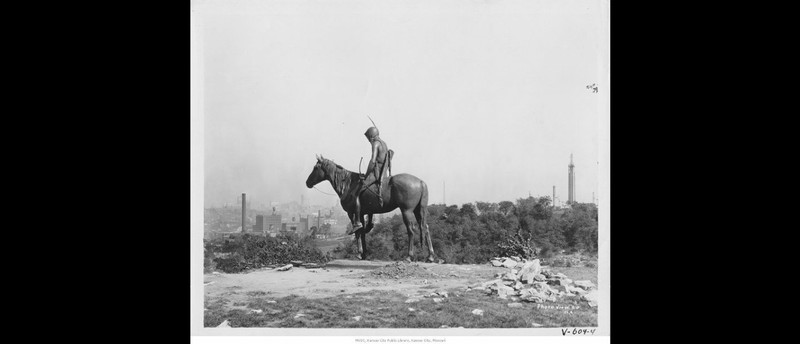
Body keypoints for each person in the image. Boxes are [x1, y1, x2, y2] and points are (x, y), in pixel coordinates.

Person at [350, 126, 389, 231]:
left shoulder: (376, 144)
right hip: (383, 172)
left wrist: (366, 175)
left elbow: (372, 161)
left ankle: (358, 222)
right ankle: (370, 222)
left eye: (369, 139)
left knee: (356, 192)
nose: (369, 141)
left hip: (376, 172)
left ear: (371, 136)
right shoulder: (384, 143)